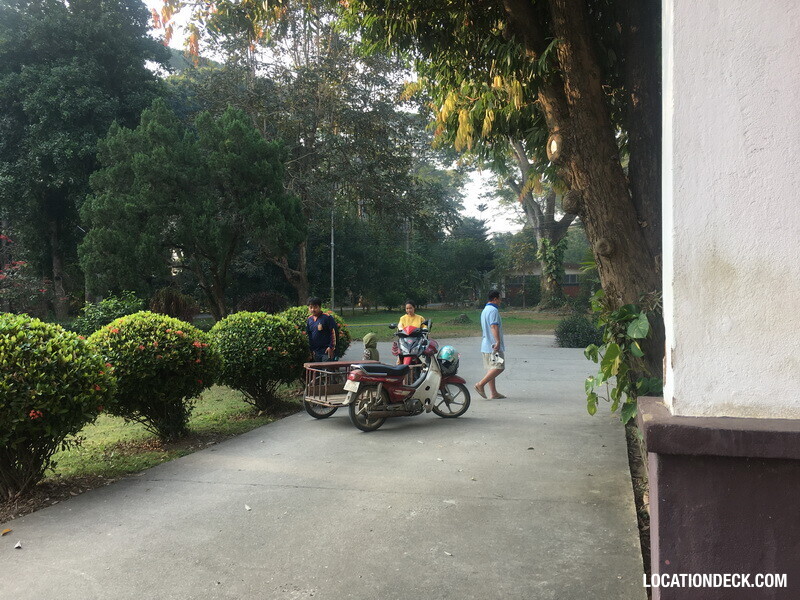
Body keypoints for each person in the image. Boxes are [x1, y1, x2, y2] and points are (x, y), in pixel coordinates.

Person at [475, 289, 506, 399]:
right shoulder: (493, 310)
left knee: (491, 368)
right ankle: (480, 384)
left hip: (486, 345)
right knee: (499, 367)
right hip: (493, 346)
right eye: (499, 299)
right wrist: (498, 341)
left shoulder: (485, 310)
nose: (500, 301)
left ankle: (493, 393)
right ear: (495, 299)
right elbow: (493, 326)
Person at [306, 297, 338, 362]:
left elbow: (333, 332)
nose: (313, 309)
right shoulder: (309, 319)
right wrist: (311, 350)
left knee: (326, 368)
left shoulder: (327, 317)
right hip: (315, 352)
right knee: (317, 368)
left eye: (315, 307)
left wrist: (331, 347)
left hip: (326, 351)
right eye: (311, 307)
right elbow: (309, 335)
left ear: (320, 307)